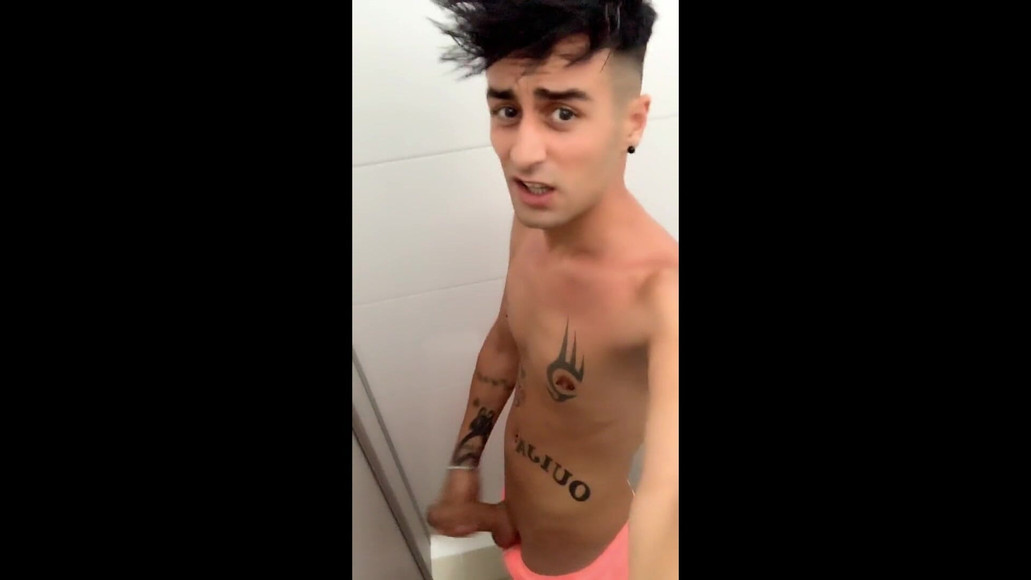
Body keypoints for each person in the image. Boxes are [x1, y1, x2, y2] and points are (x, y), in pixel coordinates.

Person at [424, 1, 678, 578]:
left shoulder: (663, 297)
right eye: (507, 110)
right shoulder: (533, 228)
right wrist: (464, 468)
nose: (522, 153)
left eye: (563, 112)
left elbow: (668, 497)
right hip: (517, 519)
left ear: (633, 122)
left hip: (588, 561)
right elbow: (504, 346)